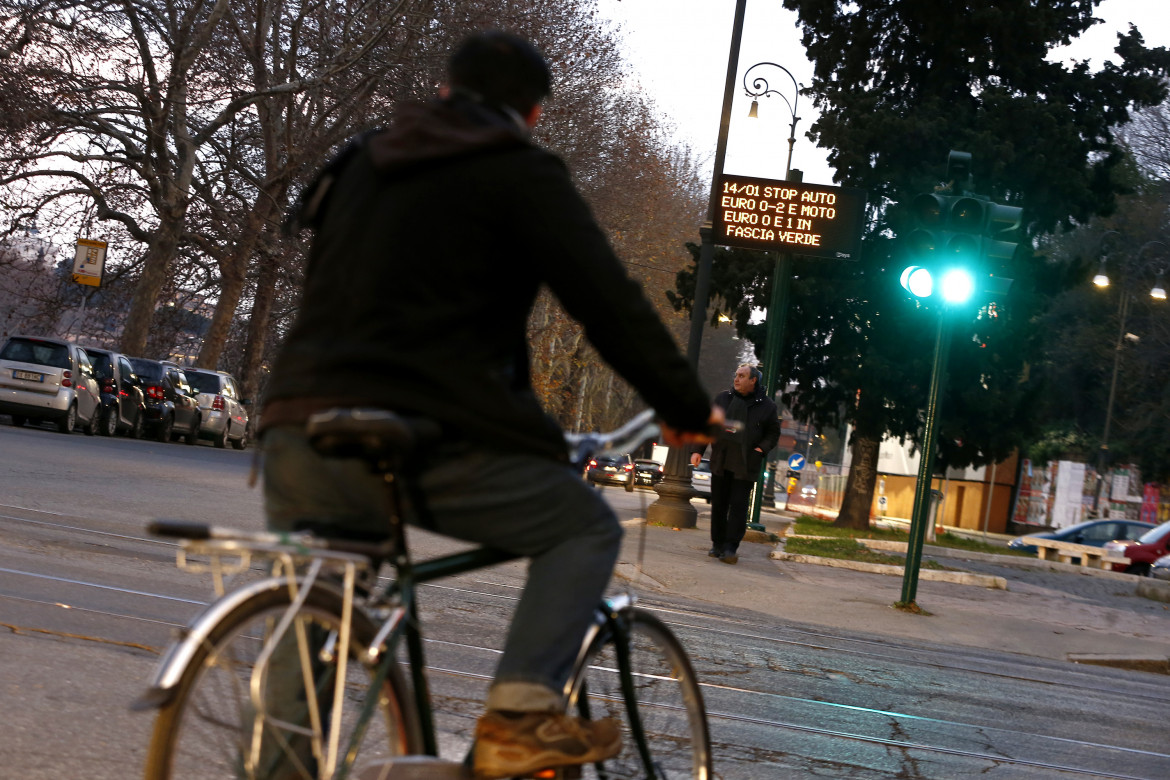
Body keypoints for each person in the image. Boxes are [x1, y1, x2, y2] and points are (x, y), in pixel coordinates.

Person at [260, 31, 718, 779]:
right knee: (584, 529)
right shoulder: (518, 172)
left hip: (296, 425)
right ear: (532, 113)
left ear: (445, 91)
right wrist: (685, 405)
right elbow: (609, 304)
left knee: (325, 598)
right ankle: (519, 716)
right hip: (415, 432)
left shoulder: (360, 160)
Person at [690, 364, 780, 565]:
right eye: (736, 375)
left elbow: (773, 433)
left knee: (738, 506)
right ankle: (717, 544)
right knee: (719, 505)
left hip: (745, 464)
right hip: (721, 459)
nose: (736, 379)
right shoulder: (723, 399)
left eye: (742, 376)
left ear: (753, 381)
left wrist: (760, 450)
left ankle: (731, 548)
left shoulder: (767, 406)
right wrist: (697, 450)